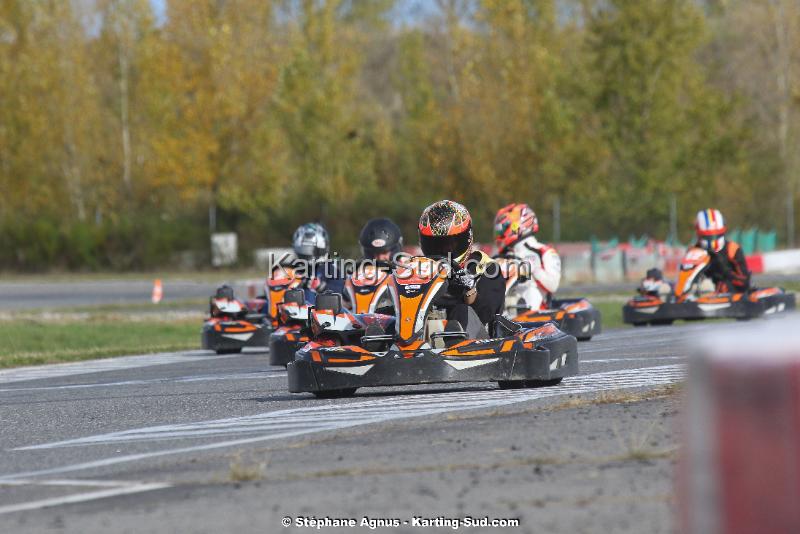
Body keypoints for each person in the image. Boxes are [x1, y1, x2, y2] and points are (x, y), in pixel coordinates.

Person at [418, 200, 505, 333]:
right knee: (384, 316)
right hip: (425, 338)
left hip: (474, 343)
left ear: (467, 237)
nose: (443, 251)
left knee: (462, 311)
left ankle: (453, 340)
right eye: (435, 245)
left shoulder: (486, 269)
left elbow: (487, 314)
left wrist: (469, 289)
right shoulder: (422, 270)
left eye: (450, 244)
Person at [493, 203, 561, 311]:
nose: (499, 234)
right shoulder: (501, 256)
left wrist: (533, 269)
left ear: (518, 225)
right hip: (506, 313)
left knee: (529, 288)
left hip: (537, 316)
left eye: (503, 229)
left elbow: (553, 285)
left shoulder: (544, 251)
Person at [694, 208, 750, 293]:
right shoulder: (695, 251)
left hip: (730, 294)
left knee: (710, 286)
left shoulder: (733, 250)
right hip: (700, 293)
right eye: (707, 236)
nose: (712, 240)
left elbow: (744, 282)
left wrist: (725, 270)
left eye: (715, 235)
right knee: (666, 287)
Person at [291, 222, 346, 302]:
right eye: (304, 250)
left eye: (311, 250)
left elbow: (340, 291)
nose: (308, 254)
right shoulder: (292, 268)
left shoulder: (330, 268)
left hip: (322, 310)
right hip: (293, 309)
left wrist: (320, 286)